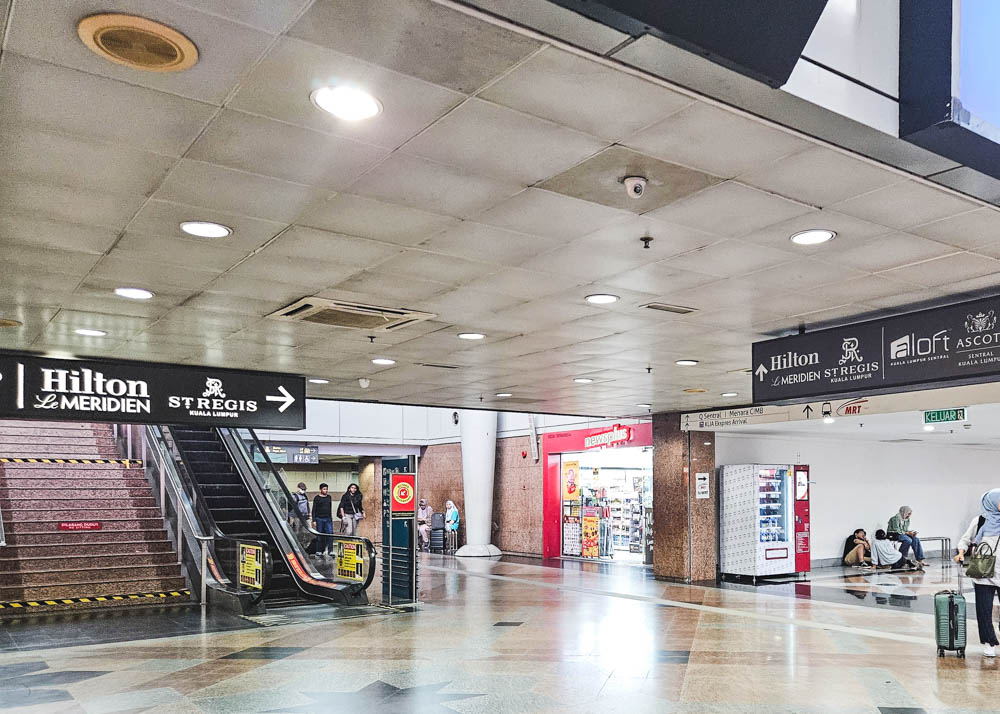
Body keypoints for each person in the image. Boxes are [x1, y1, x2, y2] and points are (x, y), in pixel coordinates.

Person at [954, 488, 1000, 658]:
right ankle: (989, 643)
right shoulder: (980, 521)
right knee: (984, 610)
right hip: (983, 573)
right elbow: (965, 539)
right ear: (992, 502)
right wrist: (960, 552)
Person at [311, 483, 334, 557]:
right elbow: (314, 509)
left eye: (326, 489)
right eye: (324, 489)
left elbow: (330, 508)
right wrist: (314, 520)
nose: (326, 490)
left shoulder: (329, 497)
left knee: (330, 534)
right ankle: (318, 551)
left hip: (328, 519)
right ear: (320, 489)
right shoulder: (317, 498)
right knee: (319, 535)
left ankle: (330, 551)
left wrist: (330, 518)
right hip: (319, 518)